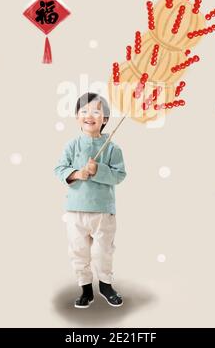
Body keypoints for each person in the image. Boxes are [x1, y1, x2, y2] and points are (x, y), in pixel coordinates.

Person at [54, 92, 127, 309]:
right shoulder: (72, 145)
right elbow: (59, 168)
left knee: (102, 250)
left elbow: (120, 175)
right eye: (84, 111)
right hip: (76, 211)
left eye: (96, 111)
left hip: (103, 210)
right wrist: (77, 174)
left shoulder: (113, 148)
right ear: (77, 116)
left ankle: (105, 285)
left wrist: (99, 170)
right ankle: (86, 288)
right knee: (78, 250)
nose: (89, 115)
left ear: (105, 119)